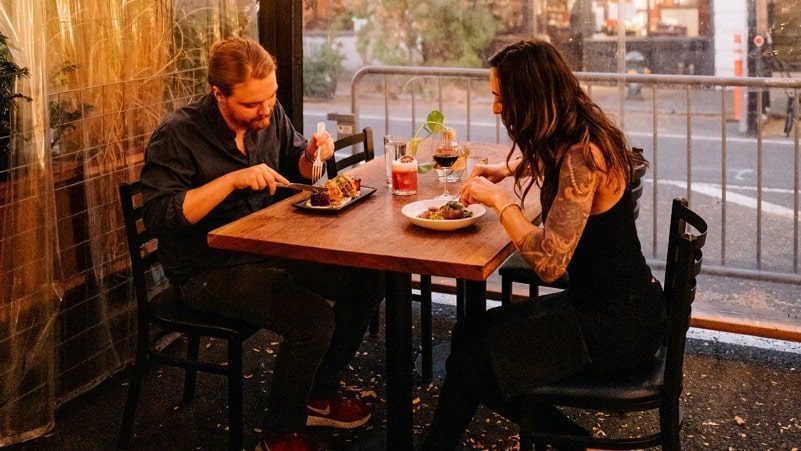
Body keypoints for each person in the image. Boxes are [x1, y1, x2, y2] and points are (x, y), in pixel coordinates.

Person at [139, 37, 384, 451]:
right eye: (253, 104)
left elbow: (298, 170)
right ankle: (280, 430)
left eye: (270, 97)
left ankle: (318, 393)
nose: (266, 110)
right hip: (205, 268)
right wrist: (231, 179)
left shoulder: (269, 113)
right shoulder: (178, 135)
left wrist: (311, 154)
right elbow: (161, 214)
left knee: (368, 278)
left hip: (267, 248)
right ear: (219, 93)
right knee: (311, 319)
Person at [421, 40, 665, 450]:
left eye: (501, 98)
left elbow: (550, 262)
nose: (497, 108)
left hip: (614, 330)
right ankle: (573, 441)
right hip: (620, 307)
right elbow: (556, 157)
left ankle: (571, 441)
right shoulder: (583, 134)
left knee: (470, 359)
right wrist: (505, 168)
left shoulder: (583, 157)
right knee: (468, 335)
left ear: (530, 97)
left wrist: (500, 202)